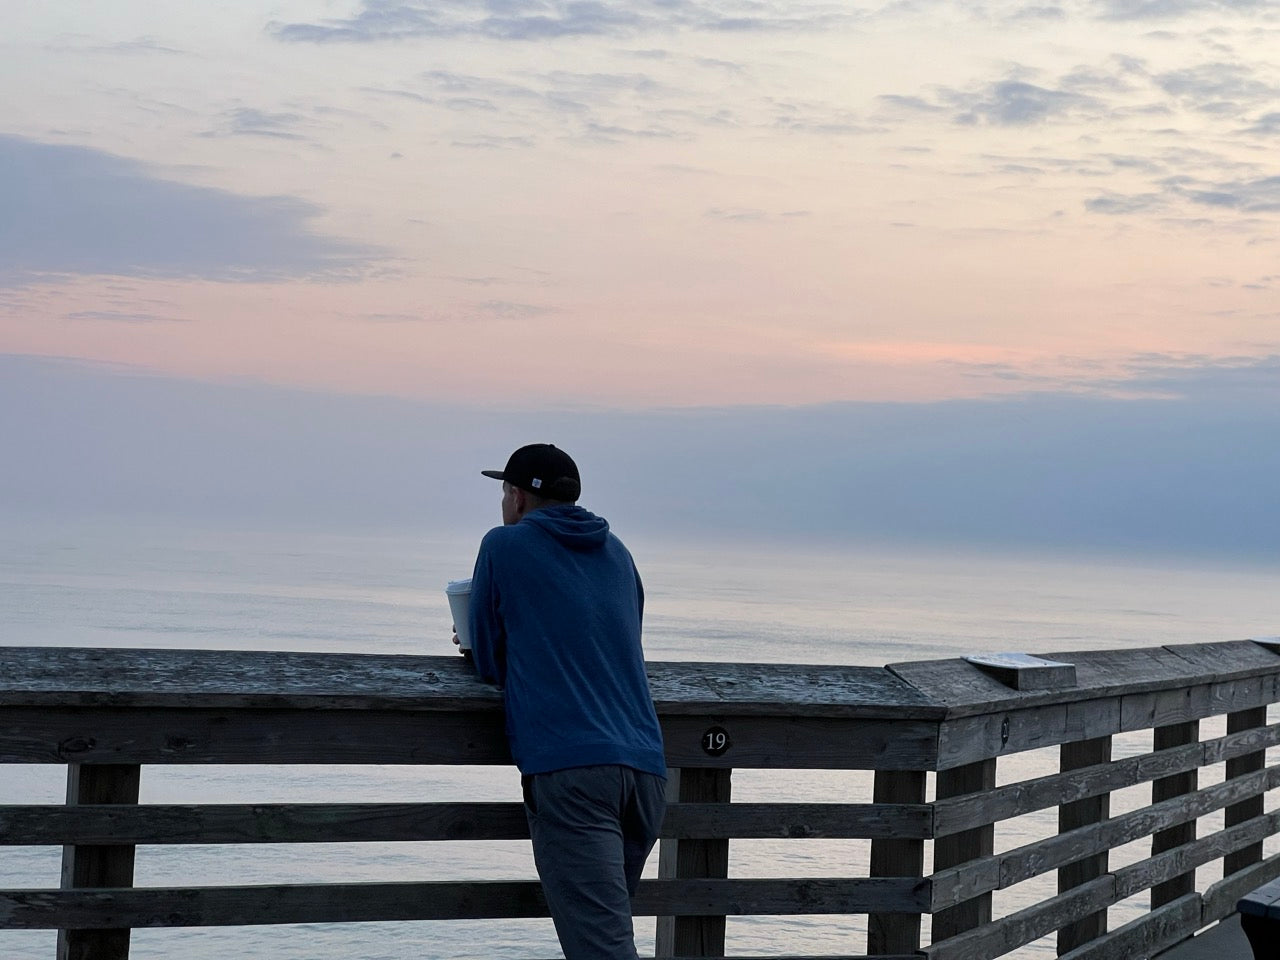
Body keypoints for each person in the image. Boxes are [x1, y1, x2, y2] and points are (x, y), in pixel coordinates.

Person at [465, 443, 667, 960]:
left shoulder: (504, 546)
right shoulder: (618, 552)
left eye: (505, 491)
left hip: (573, 770)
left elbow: (489, 659)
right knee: (605, 938)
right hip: (644, 769)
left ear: (518, 498)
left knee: (602, 950)